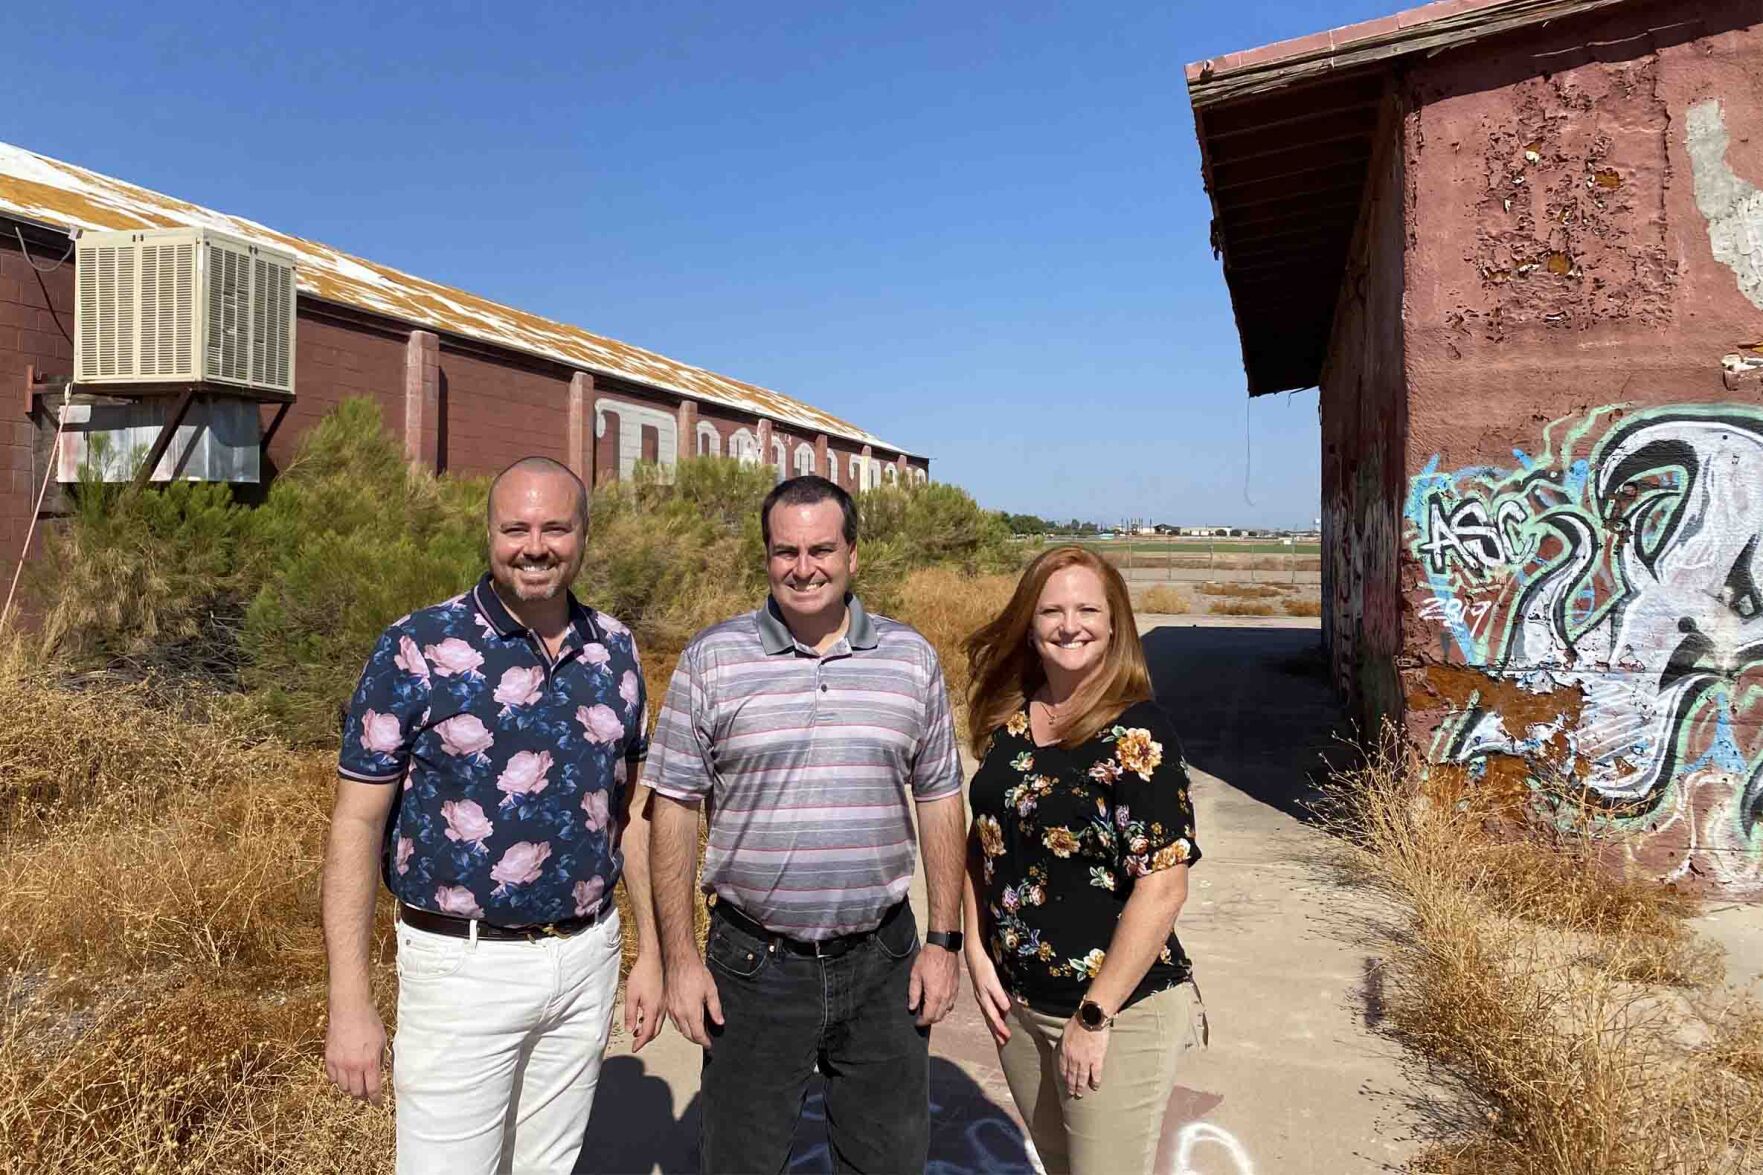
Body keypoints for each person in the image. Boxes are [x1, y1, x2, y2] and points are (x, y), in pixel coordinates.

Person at [322, 455, 664, 1175]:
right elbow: (355, 824)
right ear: (488, 533)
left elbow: (630, 813)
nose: (534, 545)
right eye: (516, 527)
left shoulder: (617, 649)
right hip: (461, 967)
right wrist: (349, 999)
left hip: (585, 957)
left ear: (583, 536)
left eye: (554, 527)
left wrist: (653, 953)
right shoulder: (417, 646)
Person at [646, 474, 967, 1174]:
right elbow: (671, 808)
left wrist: (945, 940)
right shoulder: (712, 659)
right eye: (784, 550)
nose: (802, 567)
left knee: (887, 1159)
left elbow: (940, 795)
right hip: (754, 963)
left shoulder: (909, 659)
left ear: (853, 554)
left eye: (820, 548)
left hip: (883, 961)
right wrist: (678, 959)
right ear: (765, 556)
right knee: (739, 1159)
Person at [959, 545, 1206, 1175]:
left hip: (1115, 1011)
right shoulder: (1010, 723)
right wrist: (975, 946)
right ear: (1030, 624)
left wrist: (1094, 1016)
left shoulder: (1137, 733)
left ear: (1116, 624)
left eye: (1088, 609)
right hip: (1019, 1006)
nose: (1071, 624)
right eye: (1052, 610)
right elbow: (980, 841)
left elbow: (1164, 887)